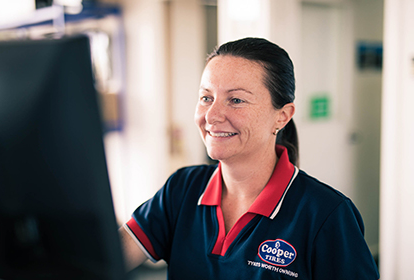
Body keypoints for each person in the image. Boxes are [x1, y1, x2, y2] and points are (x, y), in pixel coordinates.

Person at [119, 37, 380, 279]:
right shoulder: (182, 189)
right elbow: (102, 261)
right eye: (206, 97)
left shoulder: (325, 214)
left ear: (282, 116)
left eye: (236, 100)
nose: (212, 115)